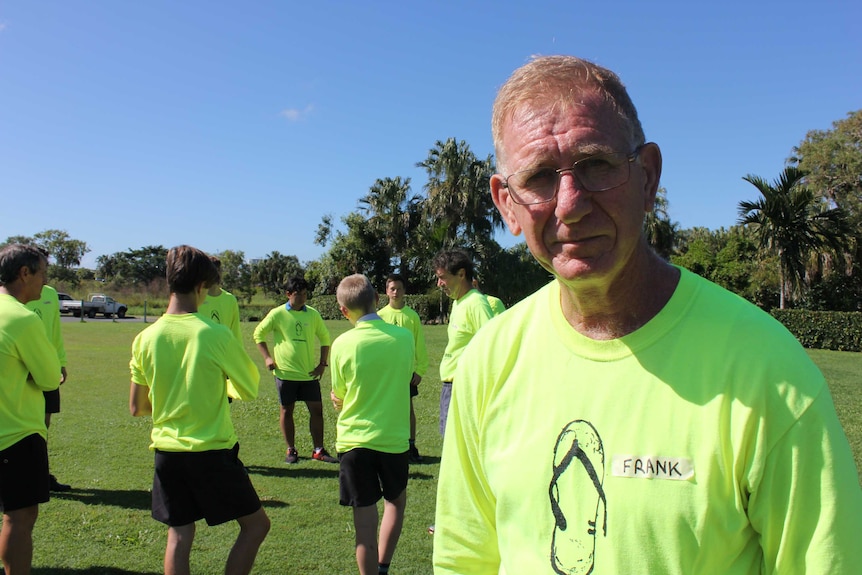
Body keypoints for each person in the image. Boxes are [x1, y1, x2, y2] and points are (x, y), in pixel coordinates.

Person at [432, 55, 862, 574]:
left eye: (595, 164)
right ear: (507, 203)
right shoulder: (488, 362)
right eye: (541, 177)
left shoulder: (767, 372)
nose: (569, 203)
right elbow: (464, 559)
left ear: (648, 176)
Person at [129, 245, 269, 575]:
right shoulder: (215, 335)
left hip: (166, 452)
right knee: (256, 527)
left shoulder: (145, 338)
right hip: (211, 452)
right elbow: (248, 387)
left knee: (179, 535)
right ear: (202, 285)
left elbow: (137, 407)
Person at [329, 274, 414, 575]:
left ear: (343, 310)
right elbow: (404, 377)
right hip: (392, 438)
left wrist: (338, 399)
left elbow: (338, 394)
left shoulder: (341, 344)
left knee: (364, 525)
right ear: (377, 298)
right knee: (395, 503)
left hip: (354, 441)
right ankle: (384, 567)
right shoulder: (403, 338)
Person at [0, 244, 62, 575]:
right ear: (24, 273)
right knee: (19, 516)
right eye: (43, 275)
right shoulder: (23, 319)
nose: (45, 283)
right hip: (16, 433)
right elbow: (51, 377)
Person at [253, 276, 337, 464]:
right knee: (286, 411)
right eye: (299, 294)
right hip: (285, 373)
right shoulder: (277, 314)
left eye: (306, 294)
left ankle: (318, 450)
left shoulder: (313, 314)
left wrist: (322, 364)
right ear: (288, 294)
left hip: (308, 375)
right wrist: (267, 357)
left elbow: (325, 338)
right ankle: (291, 450)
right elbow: (258, 334)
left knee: (317, 411)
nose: (303, 298)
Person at [432, 249, 493, 437]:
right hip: (451, 386)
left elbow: (491, 347)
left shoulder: (476, 304)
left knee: (457, 445)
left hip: (463, 387)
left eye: (443, 278)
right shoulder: (459, 302)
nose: (439, 283)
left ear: (461, 274)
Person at [377, 273, 429, 462]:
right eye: (392, 289)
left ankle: (411, 445)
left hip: (406, 374)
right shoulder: (380, 316)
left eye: (399, 288)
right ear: (386, 291)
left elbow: (419, 345)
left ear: (405, 291)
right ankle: (385, 444)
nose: (396, 292)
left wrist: (420, 370)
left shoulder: (412, 316)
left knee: (408, 409)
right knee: (384, 408)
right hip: (385, 375)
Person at [25, 283, 71, 492]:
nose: (44, 275)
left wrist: (60, 362)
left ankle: (40, 475)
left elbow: (54, 332)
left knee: (43, 426)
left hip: (48, 367)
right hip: (22, 369)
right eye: (41, 270)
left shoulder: (50, 293)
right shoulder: (14, 294)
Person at [197, 255, 243, 401]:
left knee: (223, 407)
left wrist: (237, 363)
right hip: (201, 363)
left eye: (218, 270)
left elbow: (235, 333)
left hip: (224, 364)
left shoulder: (230, 300)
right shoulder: (197, 298)